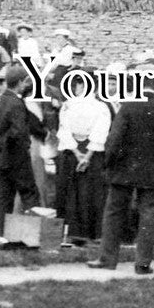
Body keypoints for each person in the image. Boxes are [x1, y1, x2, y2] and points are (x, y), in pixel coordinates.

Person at [88, 72, 154, 274]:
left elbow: (114, 140)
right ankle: (143, 263)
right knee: (148, 216)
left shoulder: (128, 107)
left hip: (123, 170)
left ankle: (107, 259)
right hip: (152, 172)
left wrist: (109, 164)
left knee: (114, 213)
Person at [0, 66, 45, 234]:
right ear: (20, 83)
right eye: (25, 82)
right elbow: (19, 133)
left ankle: (2, 234)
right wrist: (21, 149)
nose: (26, 85)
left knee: (4, 198)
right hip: (17, 158)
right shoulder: (17, 104)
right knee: (30, 194)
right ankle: (33, 235)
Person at [54, 70, 111, 245]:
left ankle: (75, 233)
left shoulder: (69, 105)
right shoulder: (99, 106)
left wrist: (80, 154)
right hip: (87, 153)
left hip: (76, 152)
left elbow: (64, 130)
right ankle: (88, 234)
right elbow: (100, 131)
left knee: (75, 192)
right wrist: (86, 155)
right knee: (88, 192)